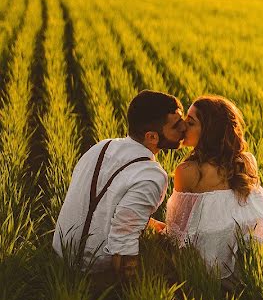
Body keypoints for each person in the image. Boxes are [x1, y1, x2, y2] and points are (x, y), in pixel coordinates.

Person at [52, 90, 186, 282]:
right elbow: (123, 240)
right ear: (152, 137)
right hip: (92, 270)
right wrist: (129, 291)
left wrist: (151, 225)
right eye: (176, 125)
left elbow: (105, 203)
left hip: (61, 253)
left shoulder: (102, 146)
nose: (184, 128)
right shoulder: (152, 175)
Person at [164, 95, 263, 280]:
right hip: (249, 269)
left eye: (190, 122)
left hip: (204, 271)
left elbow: (176, 233)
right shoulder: (246, 162)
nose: (183, 126)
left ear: (209, 131)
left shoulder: (187, 171)